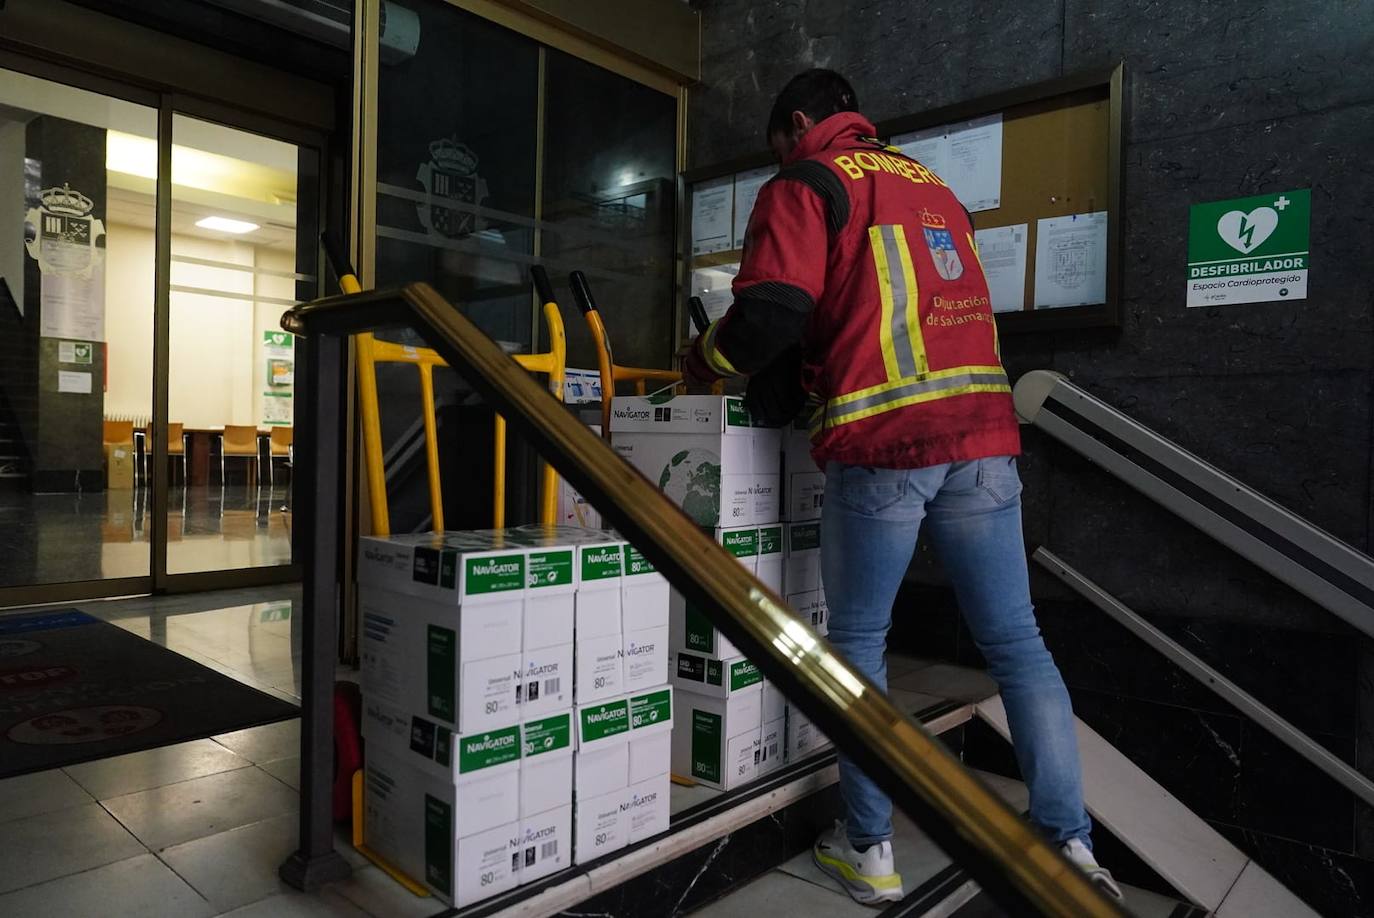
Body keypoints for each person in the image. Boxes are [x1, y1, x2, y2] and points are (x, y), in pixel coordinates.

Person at [681, 69, 1121, 906]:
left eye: (779, 141)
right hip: (985, 438)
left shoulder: (807, 182)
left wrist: (709, 363)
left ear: (801, 122)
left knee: (858, 645)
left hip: (885, 443)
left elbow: (773, 308)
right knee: (1019, 647)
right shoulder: (936, 190)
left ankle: (870, 849)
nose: (781, 155)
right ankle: (1070, 845)